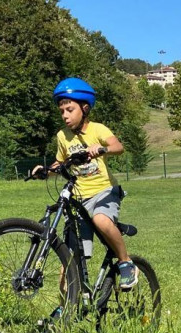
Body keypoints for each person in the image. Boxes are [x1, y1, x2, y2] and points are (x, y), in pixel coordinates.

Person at [32, 77, 138, 288]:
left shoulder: (98, 130)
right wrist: (46, 171)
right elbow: (61, 162)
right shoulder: (62, 136)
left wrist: (101, 149)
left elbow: (118, 147)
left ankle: (126, 262)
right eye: (62, 111)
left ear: (85, 107)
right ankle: (67, 309)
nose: (65, 115)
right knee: (69, 258)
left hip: (104, 192)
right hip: (79, 199)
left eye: (69, 109)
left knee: (101, 220)